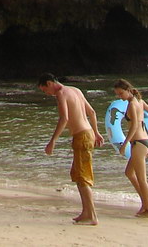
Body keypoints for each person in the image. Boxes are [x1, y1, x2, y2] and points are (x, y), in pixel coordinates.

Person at [38, 73, 104, 225]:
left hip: (81, 136)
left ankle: (92, 216)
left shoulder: (61, 93)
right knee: (78, 174)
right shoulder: (75, 90)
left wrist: (52, 141)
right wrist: (96, 132)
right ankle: (86, 212)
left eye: (44, 90)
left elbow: (64, 118)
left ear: (49, 83)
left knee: (83, 177)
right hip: (87, 134)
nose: (46, 94)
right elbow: (92, 112)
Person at [113, 78, 148, 218]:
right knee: (129, 173)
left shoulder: (132, 104)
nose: (120, 97)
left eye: (121, 93)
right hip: (146, 142)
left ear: (128, 90)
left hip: (139, 144)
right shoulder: (140, 102)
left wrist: (124, 144)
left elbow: (135, 126)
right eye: (117, 94)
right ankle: (144, 203)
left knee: (142, 179)